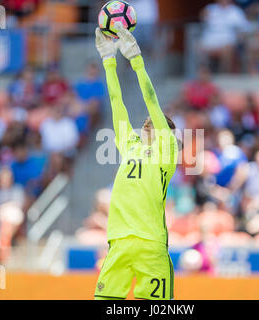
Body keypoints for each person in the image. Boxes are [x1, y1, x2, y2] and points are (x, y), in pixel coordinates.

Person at [94, 25, 177, 300]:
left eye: (156, 121)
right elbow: (117, 102)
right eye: (147, 121)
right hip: (118, 241)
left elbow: (152, 101)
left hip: (151, 243)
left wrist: (137, 61)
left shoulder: (167, 151)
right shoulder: (130, 145)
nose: (148, 121)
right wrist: (108, 61)